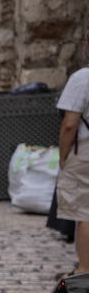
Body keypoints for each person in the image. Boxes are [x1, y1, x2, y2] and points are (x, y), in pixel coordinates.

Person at [56, 46, 89, 275]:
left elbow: (70, 123)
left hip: (85, 151)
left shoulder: (82, 78)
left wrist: (63, 157)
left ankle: (85, 269)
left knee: (85, 212)